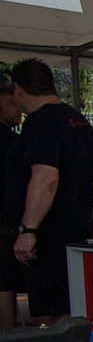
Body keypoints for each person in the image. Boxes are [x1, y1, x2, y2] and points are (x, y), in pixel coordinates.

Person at [9, 58, 93, 325]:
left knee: (50, 316)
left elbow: (46, 178)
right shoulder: (77, 120)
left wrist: (28, 230)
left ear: (18, 89)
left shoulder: (40, 122)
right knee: (72, 306)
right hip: (78, 229)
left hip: (50, 236)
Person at [0, 78, 25, 328]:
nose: (17, 109)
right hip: (6, 222)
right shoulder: (9, 141)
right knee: (5, 286)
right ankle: (8, 339)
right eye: (11, 104)